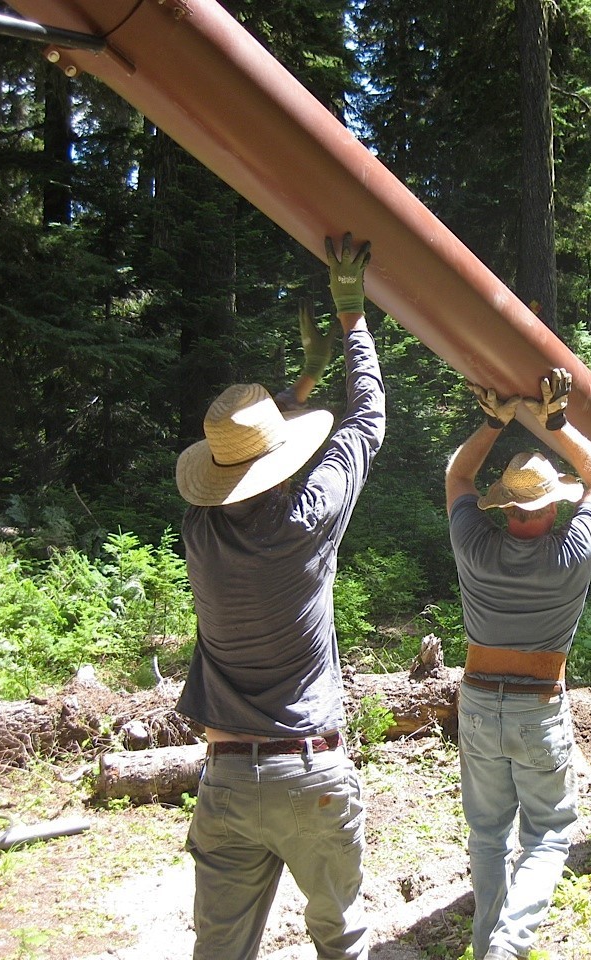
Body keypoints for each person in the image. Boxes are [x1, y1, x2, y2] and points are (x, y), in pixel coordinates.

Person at [175, 234, 382, 960]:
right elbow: (367, 420)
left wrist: (297, 389)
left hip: (227, 781)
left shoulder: (199, 531)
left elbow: (244, 459)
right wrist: (352, 318)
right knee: (342, 941)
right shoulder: (304, 522)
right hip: (309, 771)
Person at [445, 367, 591, 960]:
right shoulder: (574, 552)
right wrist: (558, 422)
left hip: (477, 698)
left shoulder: (475, 542)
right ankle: (509, 947)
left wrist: (493, 422)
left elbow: (458, 474)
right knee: (548, 833)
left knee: (488, 834)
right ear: (553, 505)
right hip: (539, 705)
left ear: (505, 507)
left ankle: (487, 940)